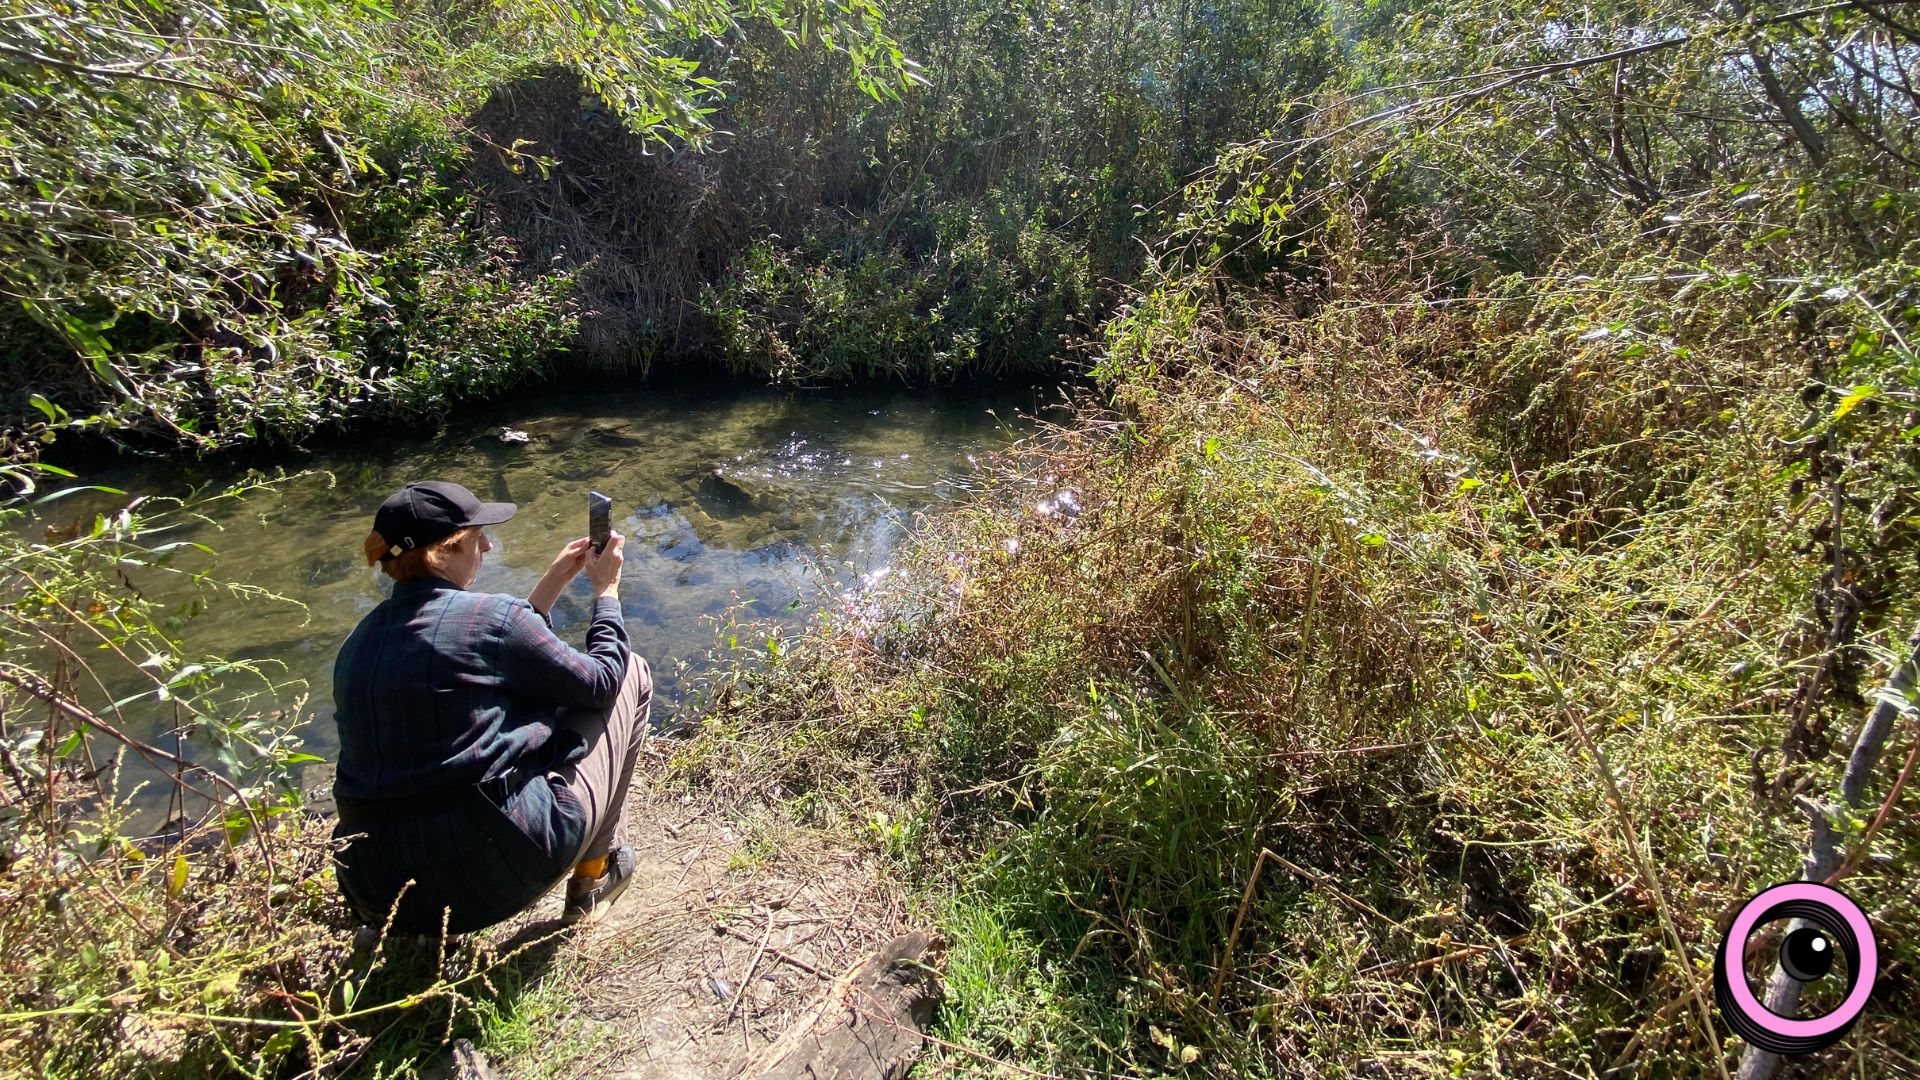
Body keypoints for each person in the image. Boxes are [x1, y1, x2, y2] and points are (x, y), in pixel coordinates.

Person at [330, 480, 651, 932]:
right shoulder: (494, 620)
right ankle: (593, 880)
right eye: (476, 537)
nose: (488, 545)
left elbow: (493, 655)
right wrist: (608, 593)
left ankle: (412, 936)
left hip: (381, 894)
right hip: (487, 880)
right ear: (444, 551)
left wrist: (555, 579)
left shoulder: (357, 643)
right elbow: (600, 683)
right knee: (630, 671)